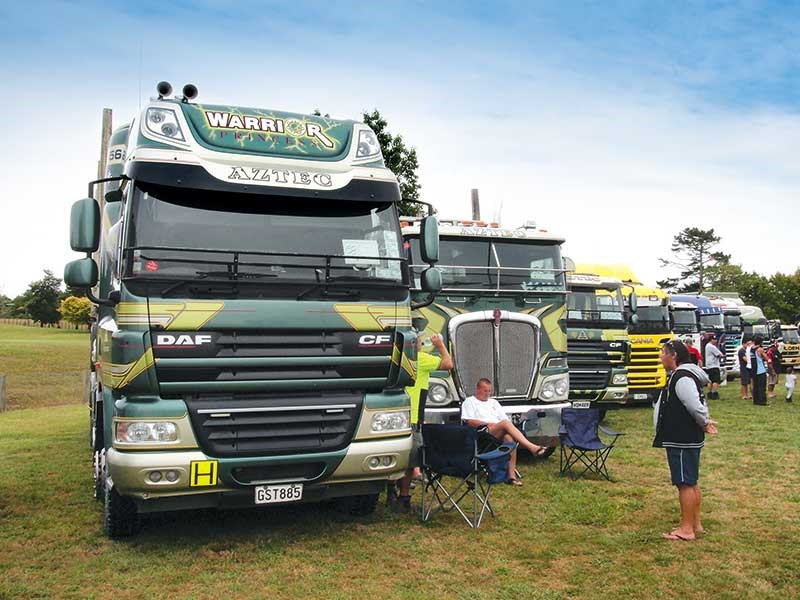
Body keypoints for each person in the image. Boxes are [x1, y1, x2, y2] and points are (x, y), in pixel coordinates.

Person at [654, 340, 718, 541]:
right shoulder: (684, 376)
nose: (660, 357)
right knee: (691, 481)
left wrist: (705, 422)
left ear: (674, 356)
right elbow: (700, 403)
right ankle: (695, 524)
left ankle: (686, 530)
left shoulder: (681, 378)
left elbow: (694, 405)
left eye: (663, 352)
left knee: (684, 483)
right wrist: (704, 420)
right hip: (685, 438)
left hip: (681, 438)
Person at [393, 331, 453, 513]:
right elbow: (448, 364)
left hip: (394, 415)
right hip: (412, 418)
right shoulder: (422, 360)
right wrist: (441, 345)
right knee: (411, 460)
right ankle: (403, 499)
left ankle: (389, 493)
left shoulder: (398, 357)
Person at [461, 378, 547, 486]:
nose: (488, 394)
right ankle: (532, 447)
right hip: (482, 432)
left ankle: (511, 477)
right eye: (485, 391)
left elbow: (504, 418)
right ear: (478, 390)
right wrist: (488, 424)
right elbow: (469, 421)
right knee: (505, 423)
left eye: (489, 391)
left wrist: (499, 425)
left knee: (509, 438)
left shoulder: (494, 402)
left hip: (497, 431)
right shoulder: (469, 402)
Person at [751, 335, 771, 406]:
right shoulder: (760, 349)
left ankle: (756, 400)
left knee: (756, 386)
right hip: (761, 370)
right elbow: (766, 358)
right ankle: (762, 401)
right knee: (762, 387)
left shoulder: (751, 349)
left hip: (754, 370)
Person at [703, 335, 724, 400]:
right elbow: (720, 355)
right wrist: (722, 355)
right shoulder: (712, 347)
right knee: (716, 380)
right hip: (714, 365)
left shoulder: (707, 346)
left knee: (710, 381)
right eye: (714, 339)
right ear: (711, 340)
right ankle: (714, 393)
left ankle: (709, 393)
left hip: (709, 366)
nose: (716, 341)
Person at [737, 336, 753, 400]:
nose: (749, 345)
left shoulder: (748, 350)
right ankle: (744, 395)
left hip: (749, 368)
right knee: (744, 382)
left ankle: (748, 394)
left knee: (749, 381)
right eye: (748, 344)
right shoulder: (741, 351)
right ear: (743, 344)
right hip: (744, 368)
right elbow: (746, 359)